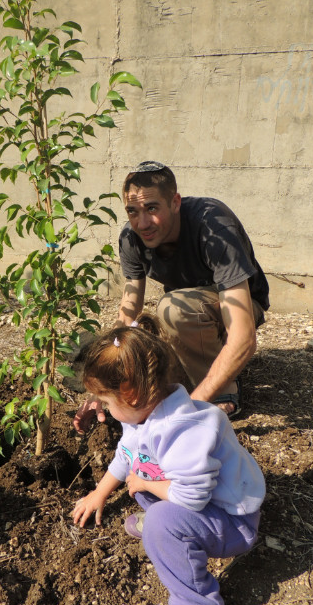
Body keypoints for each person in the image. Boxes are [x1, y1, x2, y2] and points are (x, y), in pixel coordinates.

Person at [72, 316, 265, 605]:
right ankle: (172, 529)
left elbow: (192, 496)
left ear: (130, 394)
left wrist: (146, 483)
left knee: (157, 512)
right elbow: (127, 455)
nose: (105, 409)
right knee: (142, 481)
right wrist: (100, 493)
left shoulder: (182, 429)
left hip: (234, 522)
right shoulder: (146, 412)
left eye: (106, 401)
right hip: (204, 504)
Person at [74, 161, 269, 430]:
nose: (142, 223)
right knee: (144, 335)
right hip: (192, 310)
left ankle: (224, 393)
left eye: (152, 208)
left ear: (175, 202)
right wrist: (102, 389)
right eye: (132, 211)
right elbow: (128, 314)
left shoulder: (214, 227)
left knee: (172, 309)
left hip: (242, 305)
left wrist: (192, 407)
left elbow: (244, 337)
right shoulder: (131, 239)